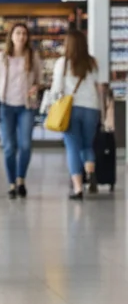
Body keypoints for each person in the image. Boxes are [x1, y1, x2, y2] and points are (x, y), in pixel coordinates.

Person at [0, 23, 43, 199]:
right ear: (11, 36)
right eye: (18, 33)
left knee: (25, 145)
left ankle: (21, 179)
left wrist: (36, 87)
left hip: (26, 106)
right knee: (9, 146)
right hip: (6, 105)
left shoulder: (32, 56)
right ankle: (11, 183)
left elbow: (39, 79)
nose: (21, 36)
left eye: (24, 34)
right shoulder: (2, 57)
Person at [52, 29, 106, 199]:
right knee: (87, 145)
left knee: (72, 147)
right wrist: (103, 112)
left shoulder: (63, 62)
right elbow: (100, 87)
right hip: (92, 108)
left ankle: (78, 188)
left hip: (71, 109)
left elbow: (56, 88)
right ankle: (90, 174)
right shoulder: (92, 63)